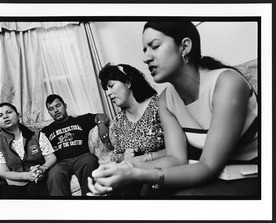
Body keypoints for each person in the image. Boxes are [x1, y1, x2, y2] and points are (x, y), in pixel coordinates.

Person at [88, 20, 258, 196]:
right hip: (212, 173)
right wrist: (122, 169)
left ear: (184, 47)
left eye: (154, 46)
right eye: (145, 50)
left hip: (251, 174)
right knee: (147, 192)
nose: (145, 58)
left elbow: (208, 166)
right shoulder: (166, 100)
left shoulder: (227, 83)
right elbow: (176, 158)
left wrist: (136, 174)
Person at [92, 63, 165, 195]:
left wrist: (143, 158)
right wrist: (124, 157)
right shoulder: (120, 119)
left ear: (128, 82)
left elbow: (179, 150)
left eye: (111, 86)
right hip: (134, 174)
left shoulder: (158, 106)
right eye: (106, 89)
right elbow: (118, 154)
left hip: (162, 170)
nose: (108, 93)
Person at [41, 94, 110, 196]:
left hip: (82, 157)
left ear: (65, 105)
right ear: (49, 113)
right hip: (61, 163)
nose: (55, 110)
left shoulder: (80, 120)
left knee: (89, 161)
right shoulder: (47, 130)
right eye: (51, 109)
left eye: (58, 106)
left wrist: (101, 124)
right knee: (54, 174)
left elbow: (102, 116)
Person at [0, 102, 57, 198]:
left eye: (9, 112)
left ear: (18, 116)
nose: (5, 117)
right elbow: (3, 172)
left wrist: (42, 168)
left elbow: (51, 157)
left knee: (37, 190)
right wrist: (26, 176)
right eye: (0, 115)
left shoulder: (36, 135)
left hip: (37, 180)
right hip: (12, 184)